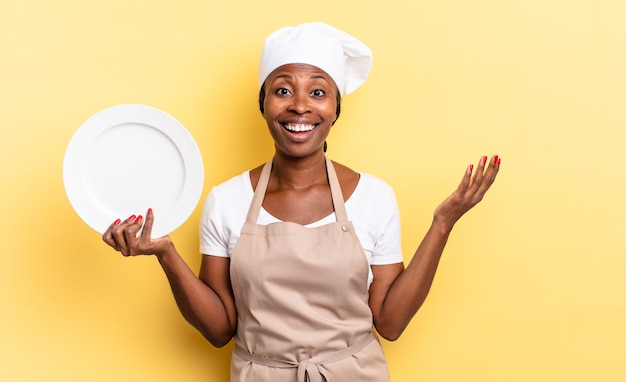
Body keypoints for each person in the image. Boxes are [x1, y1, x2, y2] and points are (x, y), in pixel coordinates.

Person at [102, 22, 500, 382]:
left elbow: (391, 323)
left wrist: (442, 224)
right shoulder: (226, 201)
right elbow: (220, 330)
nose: (299, 105)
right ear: (263, 105)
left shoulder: (374, 197)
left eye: (318, 91)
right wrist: (165, 253)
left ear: (335, 109)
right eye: (282, 90)